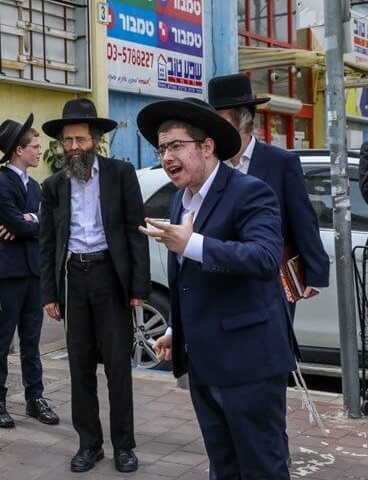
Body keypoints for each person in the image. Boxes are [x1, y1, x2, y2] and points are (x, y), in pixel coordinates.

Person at [139, 97, 296, 479]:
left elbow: (264, 258)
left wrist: (192, 244)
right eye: (162, 149)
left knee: (262, 467)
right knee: (222, 467)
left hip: (249, 364)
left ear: (207, 146)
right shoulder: (180, 200)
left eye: (176, 145)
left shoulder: (250, 192)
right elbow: (189, 281)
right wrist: (176, 328)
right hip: (205, 364)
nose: (167, 157)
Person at [39, 99, 150, 473]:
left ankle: (124, 446)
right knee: (80, 365)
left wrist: (138, 287)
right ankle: (89, 444)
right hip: (74, 278)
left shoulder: (120, 175)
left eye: (80, 140)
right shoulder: (53, 186)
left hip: (110, 277)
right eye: (67, 141)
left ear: (96, 140)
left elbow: (136, 232)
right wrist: (49, 293)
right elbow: (46, 244)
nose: (73, 147)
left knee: (118, 366)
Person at [208, 73, 329, 313]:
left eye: (221, 122)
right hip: (225, 276)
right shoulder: (212, 165)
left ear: (243, 121)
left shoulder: (281, 162)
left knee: (276, 335)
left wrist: (314, 271)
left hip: (272, 278)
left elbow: (302, 218)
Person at [0, 114, 59, 429]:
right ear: (18, 150)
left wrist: (31, 221)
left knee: (32, 341)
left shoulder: (37, 186)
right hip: (9, 272)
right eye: (34, 146)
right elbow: (15, 224)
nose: (39, 151)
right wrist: (27, 222)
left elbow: (49, 224)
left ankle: (35, 398)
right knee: (2, 340)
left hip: (34, 272)